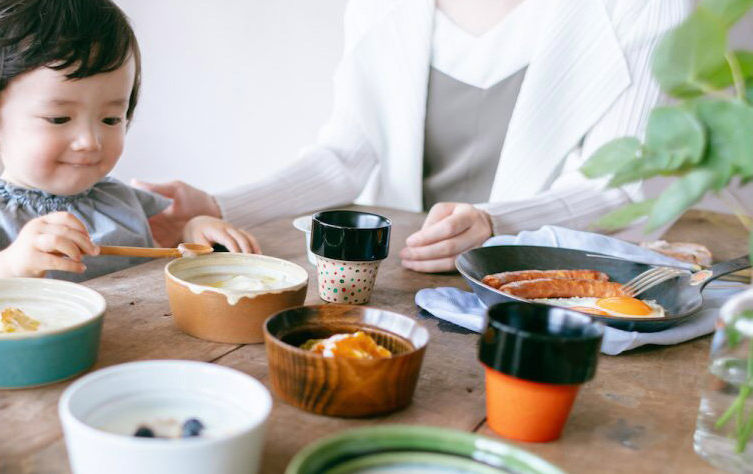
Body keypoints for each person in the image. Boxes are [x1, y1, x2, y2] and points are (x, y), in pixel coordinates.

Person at [136, 0, 688, 272]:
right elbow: (346, 155)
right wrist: (217, 204)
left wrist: (496, 223)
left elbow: (618, 187)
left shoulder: (645, 6)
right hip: (407, 277)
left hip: (556, 282)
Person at [0, 0, 259, 293]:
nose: (90, 141)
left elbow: (161, 258)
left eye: (111, 119)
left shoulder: (119, 202)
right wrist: (12, 265)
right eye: (60, 119)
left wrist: (192, 233)